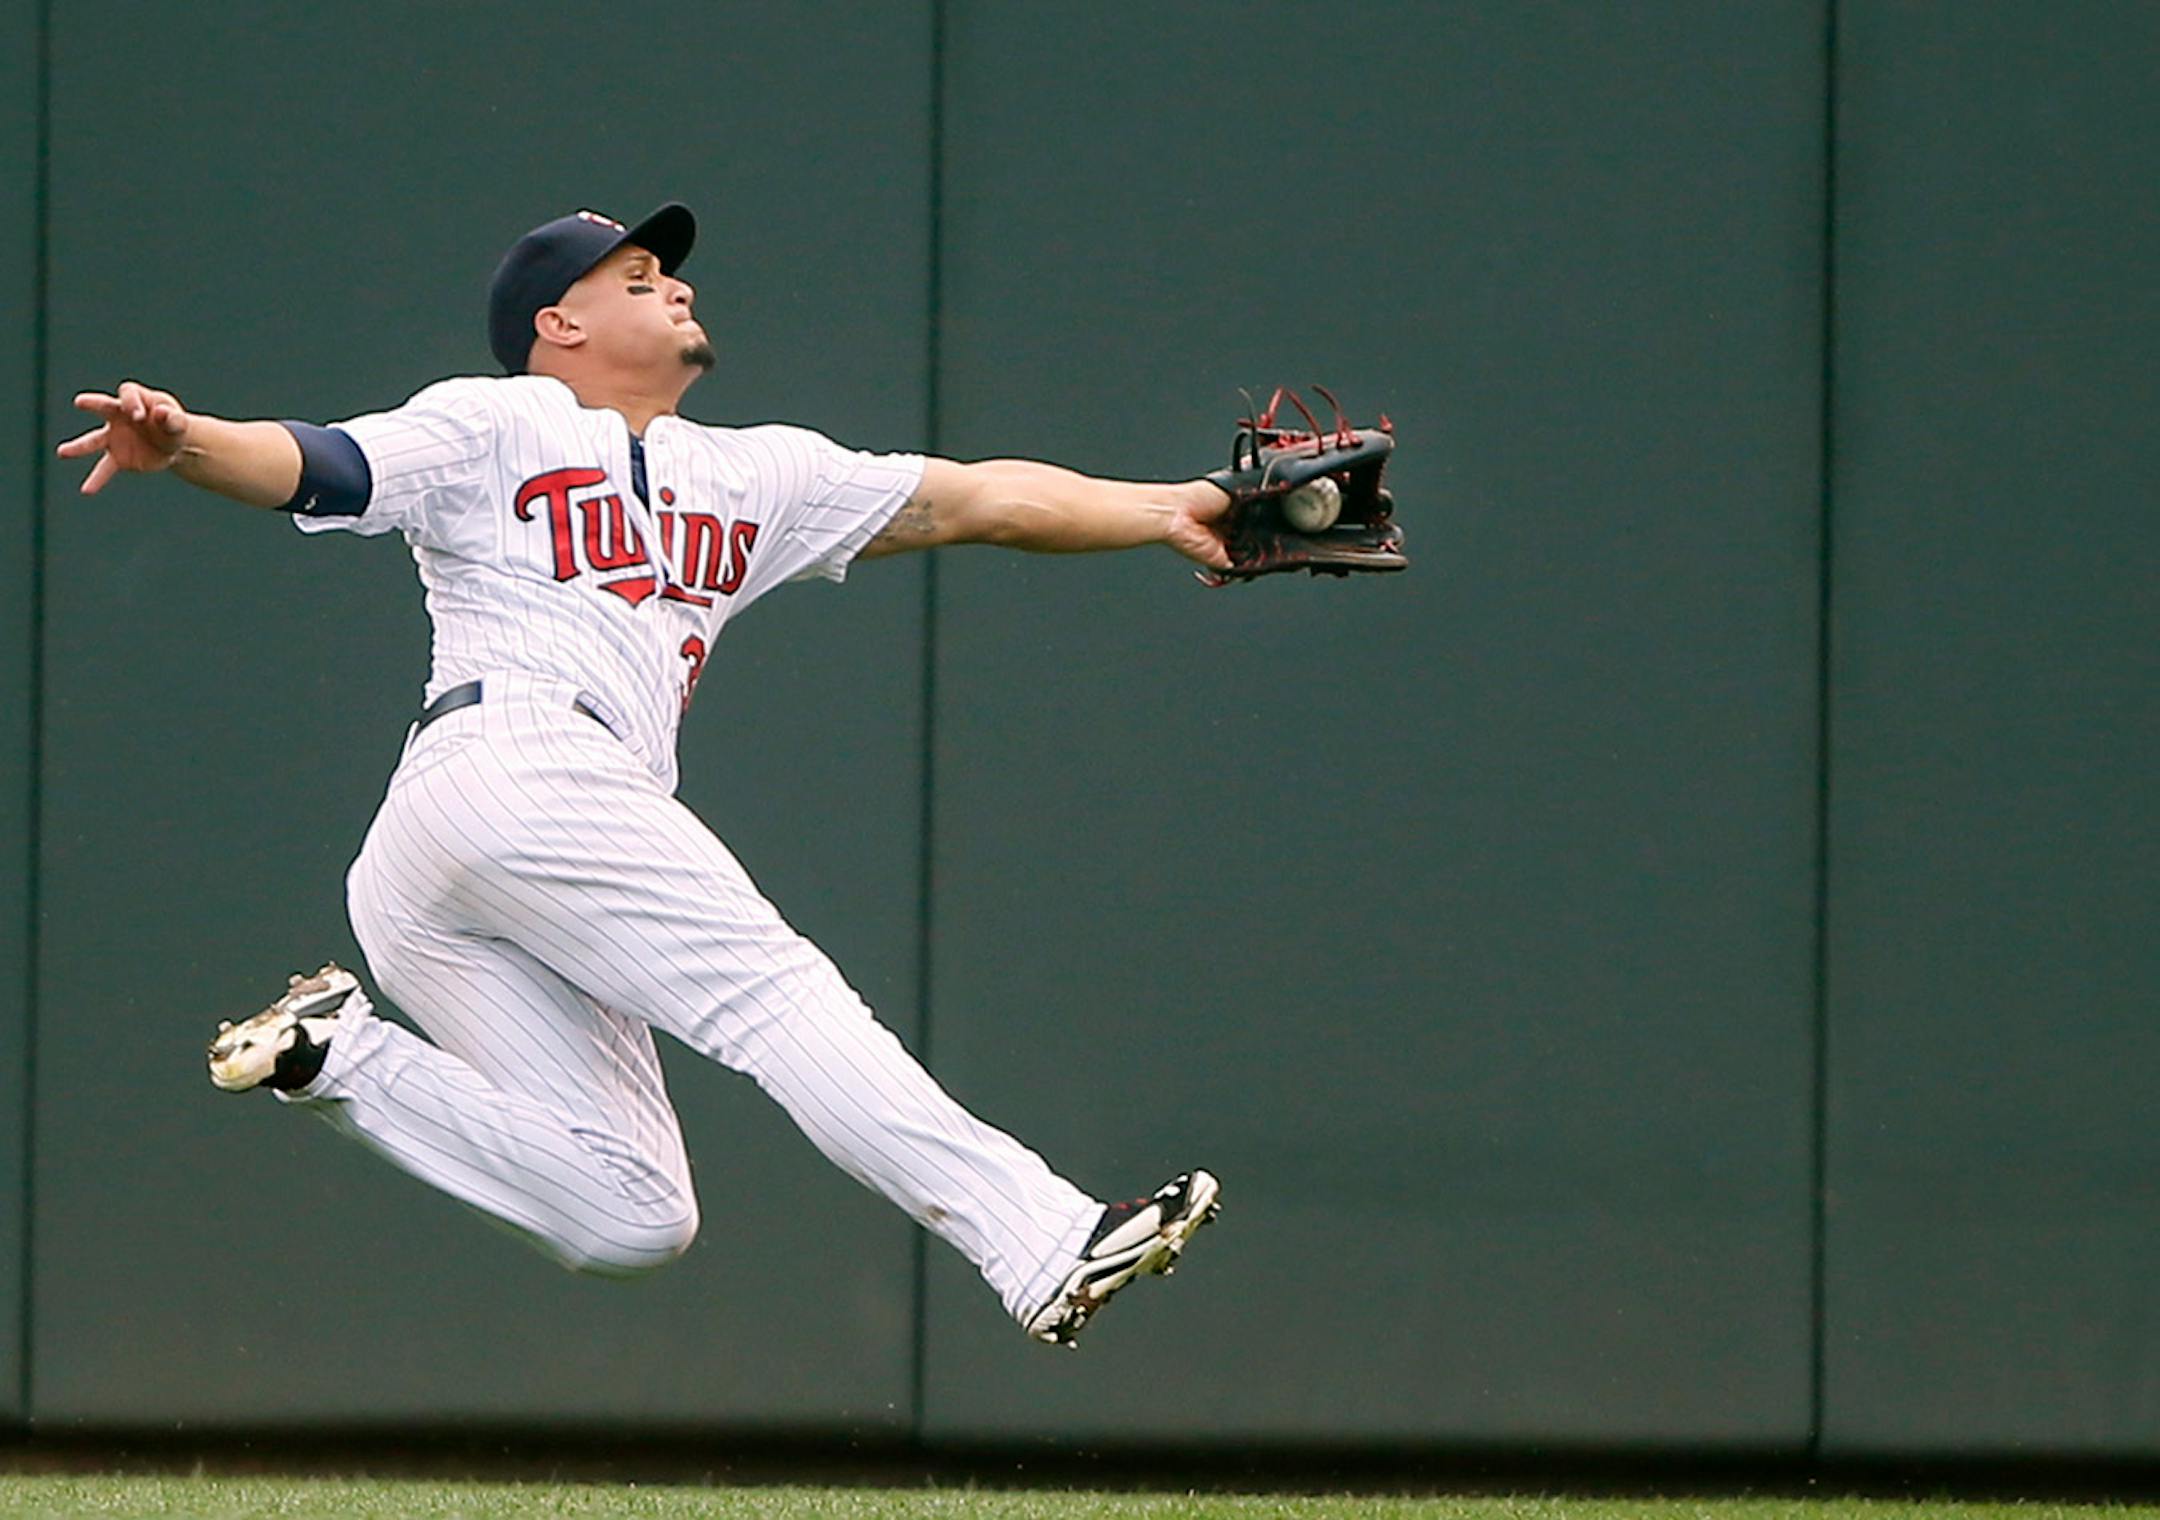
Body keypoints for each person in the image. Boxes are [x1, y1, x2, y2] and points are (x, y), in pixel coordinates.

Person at [55, 202, 1224, 1348]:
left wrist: (1181, 508)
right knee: (777, 999)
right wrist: (190, 440)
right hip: (516, 757)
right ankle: (1042, 1236)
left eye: (670, 271)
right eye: (637, 274)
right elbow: (321, 462)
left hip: (454, 855)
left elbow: (984, 499)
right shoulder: (494, 421)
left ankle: (334, 1051)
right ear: (557, 323)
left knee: (634, 1214)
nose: (677, 283)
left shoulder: (760, 474)